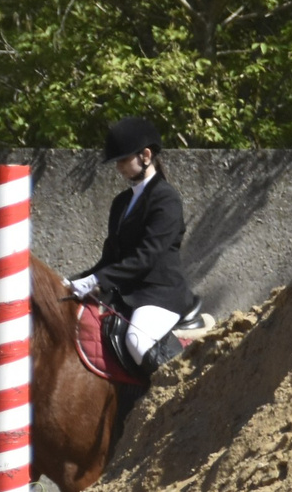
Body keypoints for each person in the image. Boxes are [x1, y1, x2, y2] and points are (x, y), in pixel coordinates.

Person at [66, 116, 197, 375]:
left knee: (136, 341)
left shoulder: (166, 199)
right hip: (126, 294)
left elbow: (146, 257)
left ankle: (177, 395)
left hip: (159, 295)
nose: (119, 168)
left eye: (123, 160)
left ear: (146, 155)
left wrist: (97, 280)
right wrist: (77, 280)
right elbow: (111, 257)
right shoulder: (121, 203)